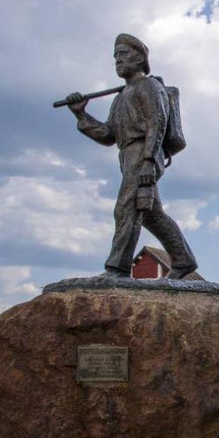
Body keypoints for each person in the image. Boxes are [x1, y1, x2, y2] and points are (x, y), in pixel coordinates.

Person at [64, 34, 197, 279]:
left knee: (126, 208)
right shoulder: (121, 97)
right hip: (128, 155)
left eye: (123, 54)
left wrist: (148, 161)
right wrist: (81, 115)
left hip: (144, 152)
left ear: (140, 59)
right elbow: (107, 135)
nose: (118, 60)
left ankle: (117, 268)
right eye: (115, 56)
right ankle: (183, 260)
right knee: (151, 215)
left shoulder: (149, 86)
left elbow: (157, 123)